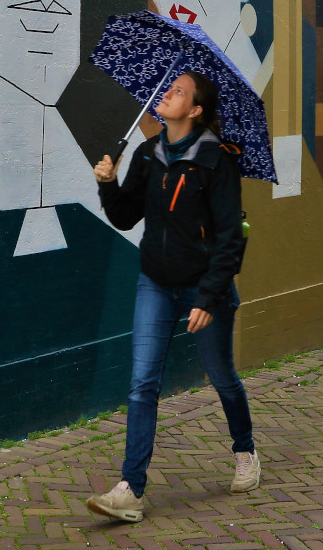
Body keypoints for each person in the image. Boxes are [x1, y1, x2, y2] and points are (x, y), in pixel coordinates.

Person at [86, 69, 259, 521]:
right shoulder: (148, 154)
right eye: (169, 89)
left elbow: (230, 237)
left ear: (195, 110)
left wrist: (208, 297)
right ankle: (130, 490)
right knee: (143, 383)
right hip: (156, 283)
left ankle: (245, 450)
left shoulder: (216, 161)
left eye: (178, 92)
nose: (167, 95)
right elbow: (125, 219)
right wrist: (107, 183)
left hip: (205, 288)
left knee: (221, 377)